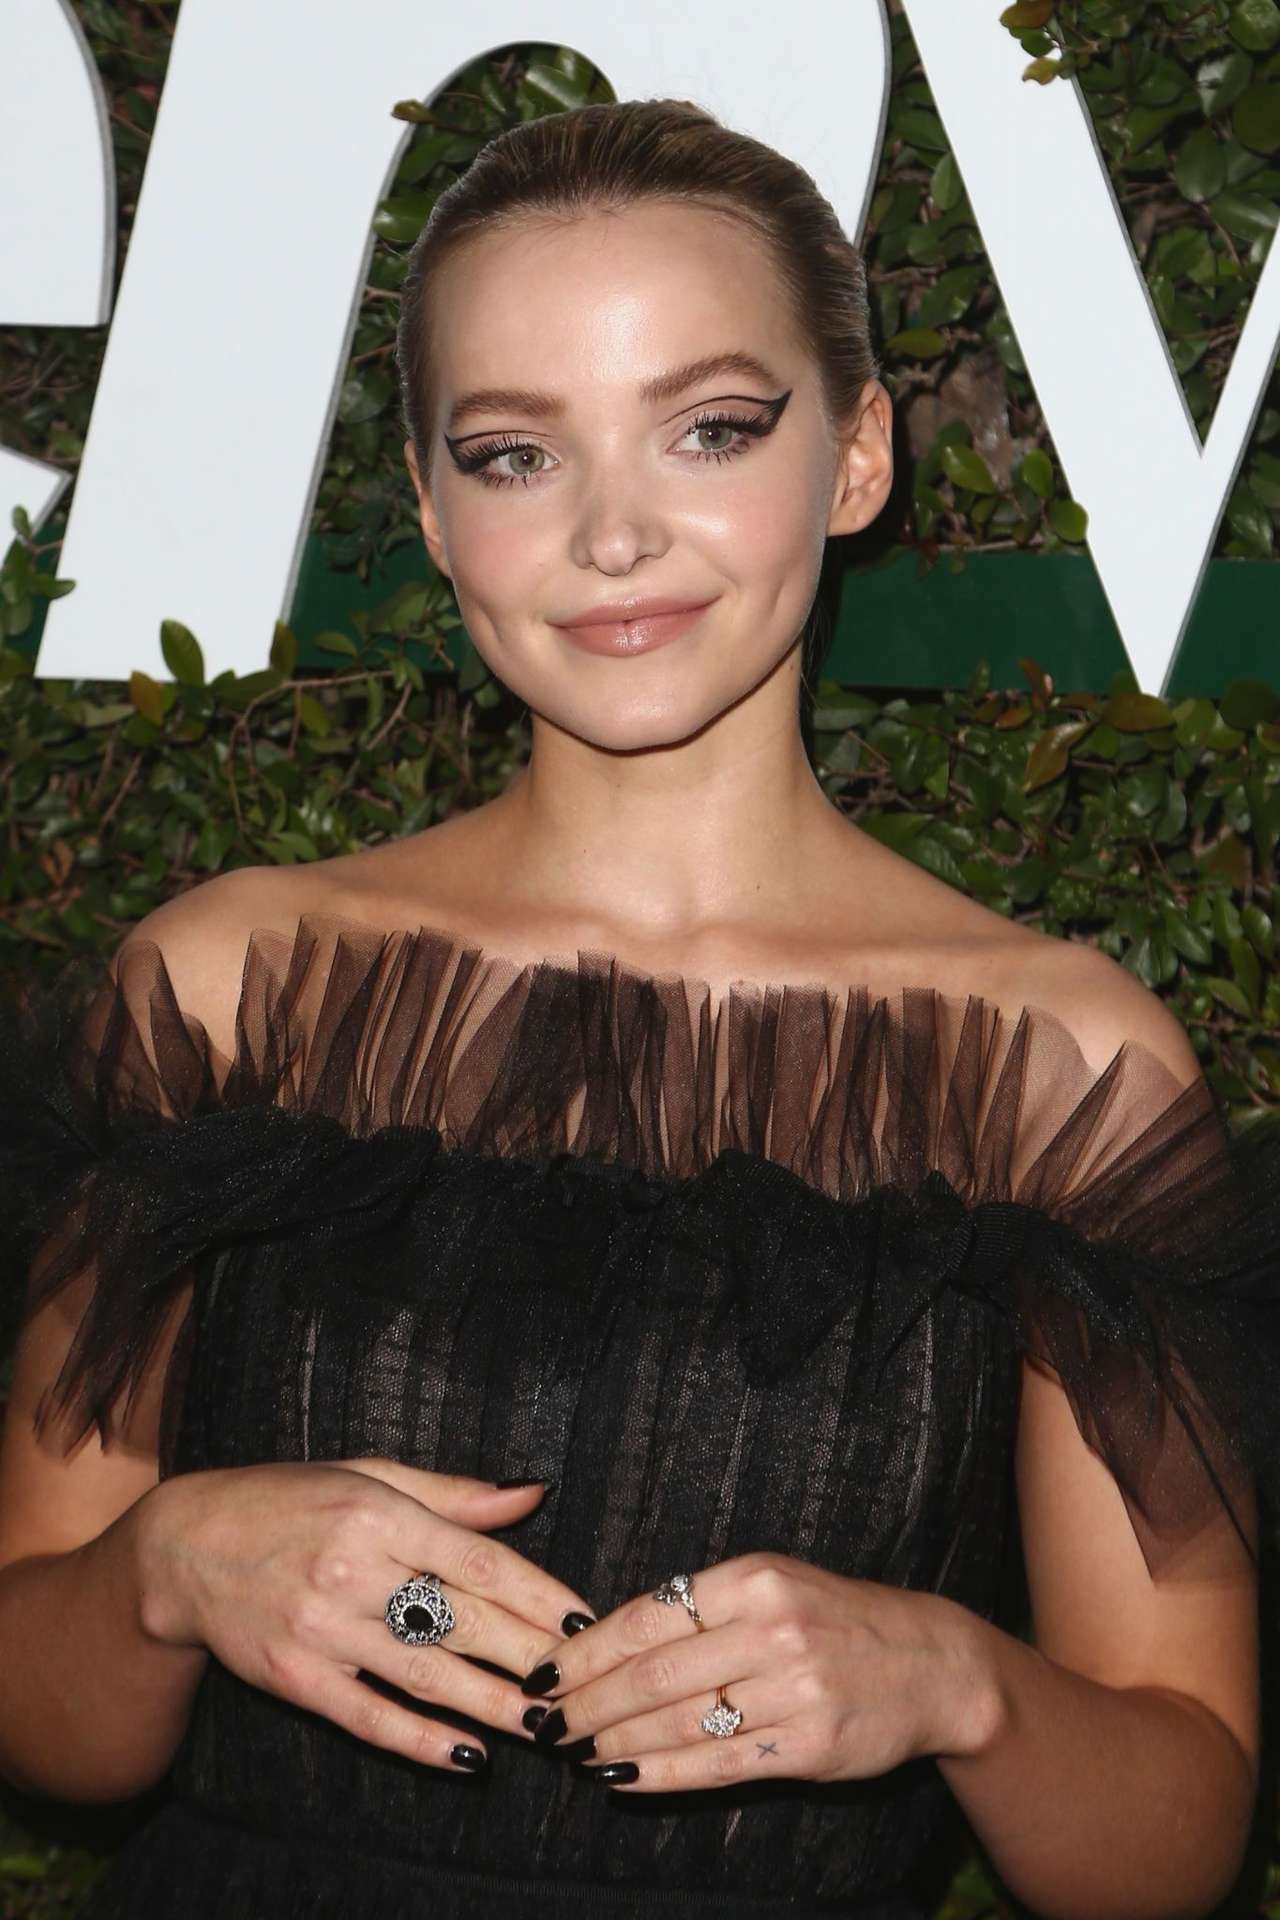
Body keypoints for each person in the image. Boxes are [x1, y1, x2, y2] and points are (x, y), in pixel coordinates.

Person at [0, 95, 1278, 1920]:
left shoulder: (1057, 1069)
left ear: (857, 456)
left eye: (710, 429)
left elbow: (1173, 1838)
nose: (613, 534)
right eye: (516, 453)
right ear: (431, 509)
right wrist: (162, 1572)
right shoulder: (223, 989)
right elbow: (47, 1729)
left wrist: (958, 1686)